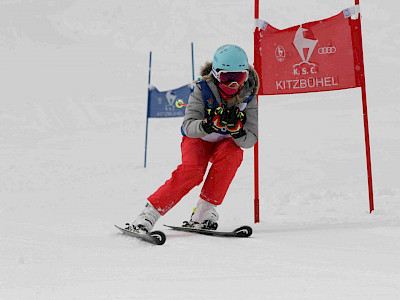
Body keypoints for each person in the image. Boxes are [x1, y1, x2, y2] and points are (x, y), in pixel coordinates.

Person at [128, 44, 259, 233]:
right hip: (198, 139)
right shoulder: (203, 90)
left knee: (233, 154)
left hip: (224, 143)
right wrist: (207, 125)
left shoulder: (249, 96)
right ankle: (148, 214)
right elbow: (187, 126)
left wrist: (238, 132)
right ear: (215, 74)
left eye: (238, 77)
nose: (233, 85)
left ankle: (204, 212)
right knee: (193, 171)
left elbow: (250, 140)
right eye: (226, 78)